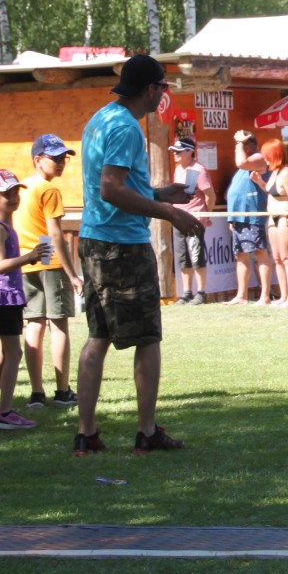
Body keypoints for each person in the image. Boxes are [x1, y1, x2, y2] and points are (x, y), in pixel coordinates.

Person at [72, 54, 204, 456]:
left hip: (94, 240)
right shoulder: (127, 128)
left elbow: (112, 187)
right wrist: (168, 212)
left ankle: (86, 433)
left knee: (98, 337)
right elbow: (111, 188)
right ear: (149, 89)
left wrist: (159, 193)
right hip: (122, 246)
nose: (162, 94)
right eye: (162, 87)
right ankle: (146, 432)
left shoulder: (100, 119)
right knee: (147, 338)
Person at [0, 169, 47, 431]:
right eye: (7, 194)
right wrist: (29, 257)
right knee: (14, 353)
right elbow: (0, 265)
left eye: (15, 192)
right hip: (1, 299)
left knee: (4, 356)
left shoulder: (5, 227)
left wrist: (29, 257)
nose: (13, 198)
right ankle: (5, 411)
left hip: (6, 299)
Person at [13, 133, 81, 408]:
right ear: (38, 160)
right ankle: (62, 391)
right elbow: (55, 235)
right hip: (50, 263)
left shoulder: (21, 187)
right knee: (58, 324)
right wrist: (73, 274)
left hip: (26, 262)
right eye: (55, 158)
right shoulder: (49, 190)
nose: (61, 163)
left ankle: (36, 393)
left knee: (34, 324)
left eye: (63, 158)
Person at [223, 131, 274, 306]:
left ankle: (265, 295)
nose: (238, 148)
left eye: (241, 145)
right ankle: (242, 295)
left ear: (249, 146)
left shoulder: (259, 158)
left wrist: (239, 141)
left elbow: (241, 162)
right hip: (238, 216)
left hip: (252, 214)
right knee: (241, 255)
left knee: (260, 253)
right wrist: (232, 217)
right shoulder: (243, 168)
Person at [255, 139, 288, 308]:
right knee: (277, 258)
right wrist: (260, 182)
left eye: (266, 155)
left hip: (286, 217)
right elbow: (273, 193)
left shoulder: (287, 173)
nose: (264, 159)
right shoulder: (274, 172)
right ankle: (283, 296)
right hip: (273, 217)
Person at [169, 137, 214, 305]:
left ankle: (201, 293)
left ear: (190, 152)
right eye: (174, 151)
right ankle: (186, 293)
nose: (175, 154)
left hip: (194, 219)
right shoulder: (178, 169)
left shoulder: (198, 170)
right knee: (182, 257)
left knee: (196, 255)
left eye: (179, 151)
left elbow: (210, 195)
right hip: (178, 218)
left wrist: (206, 215)